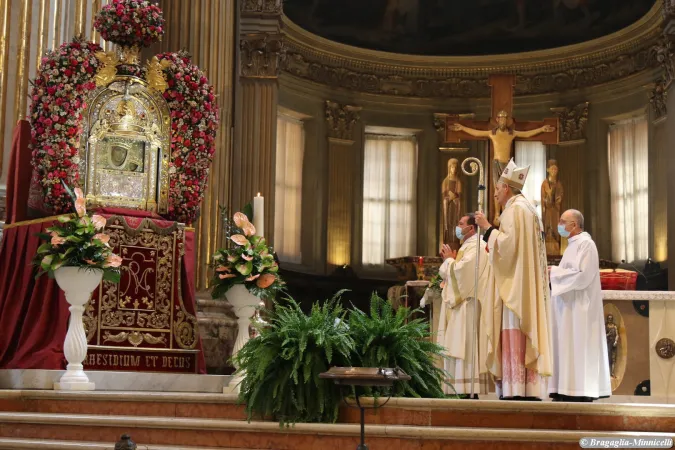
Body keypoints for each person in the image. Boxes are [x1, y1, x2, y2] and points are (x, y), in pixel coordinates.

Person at [475, 158, 553, 401]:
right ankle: (529, 389)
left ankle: (515, 389)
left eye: (497, 190)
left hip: (515, 287)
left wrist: (487, 228)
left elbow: (507, 247)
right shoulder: (529, 210)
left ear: (506, 188)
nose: (496, 194)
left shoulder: (514, 210)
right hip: (524, 283)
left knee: (512, 327)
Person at [548, 209, 611, 402]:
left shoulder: (586, 245)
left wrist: (554, 272)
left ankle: (580, 389)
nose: (559, 225)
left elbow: (583, 276)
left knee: (579, 346)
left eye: (562, 221)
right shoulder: (572, 245)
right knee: (567, 346)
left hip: (581, 309)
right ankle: (564, 387)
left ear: (574, 225)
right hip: (568, 307)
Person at [437, 213, 489, 398]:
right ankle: (459, 387)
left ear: (471, 228)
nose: (457, 228)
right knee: (459, 345)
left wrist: (448, 260)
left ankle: (466, 388)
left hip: (468, 305)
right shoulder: (468, 247)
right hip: (463, 305)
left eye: (460, 224)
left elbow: (461, 273)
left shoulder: (478, 247)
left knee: (465, 346)